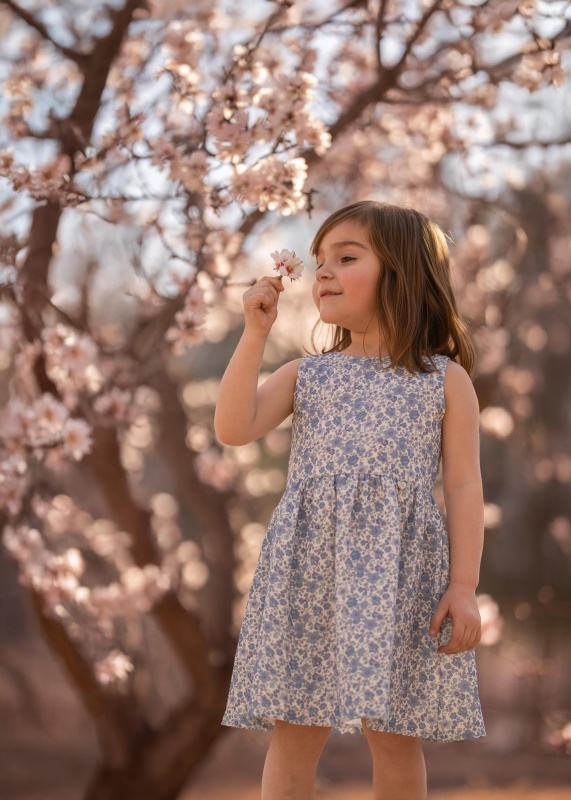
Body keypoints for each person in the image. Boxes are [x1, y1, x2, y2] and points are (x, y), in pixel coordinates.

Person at [214, 199, 486, 800]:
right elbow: (233, 428)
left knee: (394, 735)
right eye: (320, 261)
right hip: (310, 573)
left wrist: (463, 585)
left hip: (402, 577)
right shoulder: (309, 375)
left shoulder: (444, 381)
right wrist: (254, 335)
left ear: (403, 271)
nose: (324, 273)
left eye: (346, 257)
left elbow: (465, 487)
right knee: (295, 731)